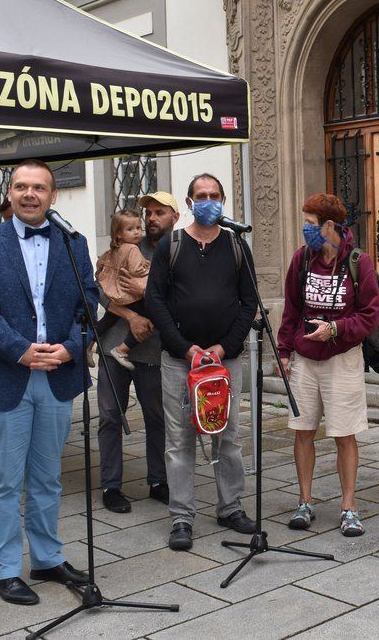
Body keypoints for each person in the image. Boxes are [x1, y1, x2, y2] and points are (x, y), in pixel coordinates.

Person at [0, 159, 97, 605]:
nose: (29, 194)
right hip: (6, 373)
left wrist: (71, 348)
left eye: (38, 187)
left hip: (57, 374)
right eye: (21, 186)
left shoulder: (73, 242)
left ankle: (48, 558)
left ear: (54, 196)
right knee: (4, 479)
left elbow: (89, 302)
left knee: (48, 477)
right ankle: (3, 569)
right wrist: (19, 348)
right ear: (10, 193)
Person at [146, 173, 258, 550]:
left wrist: (225, 347)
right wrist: (187, 348)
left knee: (228, 436)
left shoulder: (237, 245)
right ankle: (182, 516)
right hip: (180, 361)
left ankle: (231, 507)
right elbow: (155, 301)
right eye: (201, 195)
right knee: (179, 439)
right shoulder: (172, 245)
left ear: (223, 201)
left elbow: (249, 302)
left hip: (226, 361)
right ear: (190, 202)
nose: (208, 201)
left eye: (214, 195)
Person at [277, 194, 379, 537]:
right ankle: (304, 502)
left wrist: (335, 329)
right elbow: (292, 308)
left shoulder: (359, 261)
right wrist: (284, 350)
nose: (305, 228)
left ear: (329, 225)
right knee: (303, 431)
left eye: (310, 223)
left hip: (342, 359)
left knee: (344, 434)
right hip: (305, 359)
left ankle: (349, 507)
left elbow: (370, 315)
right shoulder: (302, 258)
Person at [95, 191, 179, 514]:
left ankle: (158, 480)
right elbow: (101, 289)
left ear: (174, 217)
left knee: (157, 417)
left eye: (160, 212)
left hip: (154, 349)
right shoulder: (126, 245)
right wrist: (131, 316)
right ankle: (111, 485)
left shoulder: (181, 250)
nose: (151, 218)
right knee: (109, 416)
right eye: (149, 213)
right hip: (114, 345)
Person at [95, 209, 151, 370]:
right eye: (130, 229)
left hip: (115, 293)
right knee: (149, 318)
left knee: (108, 319)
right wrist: (149, 267)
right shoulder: (133, 248)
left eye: (138, 228)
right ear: (119, 234)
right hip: (130, 295)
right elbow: (136, 270)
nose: (137, 232)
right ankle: (122, 349)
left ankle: (88, 344)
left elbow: (100, 265)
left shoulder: (114, 249)